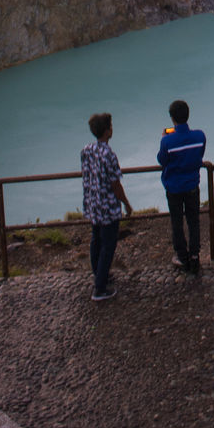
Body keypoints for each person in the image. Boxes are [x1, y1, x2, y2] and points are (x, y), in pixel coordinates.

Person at [81, 112, 132, 302]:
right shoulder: (109, 154)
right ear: (107, 131)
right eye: (111, 126)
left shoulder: (86, 150)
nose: (112, 128)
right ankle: (100, 289)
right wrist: (126, 204)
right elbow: (115, 184)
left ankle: (99, 274)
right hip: (107, 207)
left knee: (96, 241)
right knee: (108, 245)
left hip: (93, 204)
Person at [157, 99, 206, 273]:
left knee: (177, 222)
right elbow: (199, 155)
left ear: (172, 119)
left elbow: (162, 160)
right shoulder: (199, 136)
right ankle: (195, 256)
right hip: (192, 185)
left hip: (174, 187)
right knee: (194, 221)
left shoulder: (168, 142)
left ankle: (182, 256)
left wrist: (164, 139)